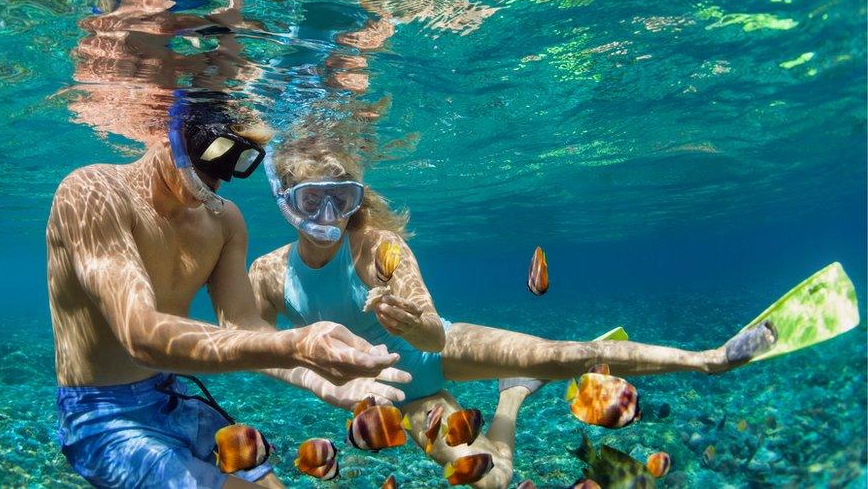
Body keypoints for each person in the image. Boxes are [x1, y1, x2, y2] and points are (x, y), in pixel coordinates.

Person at [244, 135, 777, 488]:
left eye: (343, 198)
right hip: (403, 397)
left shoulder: (378, 247)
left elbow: (431, 335)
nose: (329, 215)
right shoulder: (269, 274)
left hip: (443, 348)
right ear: (285, 201)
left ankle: (709, 358)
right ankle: (513, 394)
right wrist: (320, 379)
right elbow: (248, 346)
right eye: (313, 200)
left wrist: (414, 323)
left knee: (570, 355)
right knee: (493, 481)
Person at [46, 91, 411, 487]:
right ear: (172, 132)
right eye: (213, 153)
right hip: (102, 413)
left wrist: (319, 378)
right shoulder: (92, 192)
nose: (218, 179)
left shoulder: (224, 221)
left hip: (175, 394)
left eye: (238, 162)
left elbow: (243, 325)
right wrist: (296, 347)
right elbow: (139, 334)